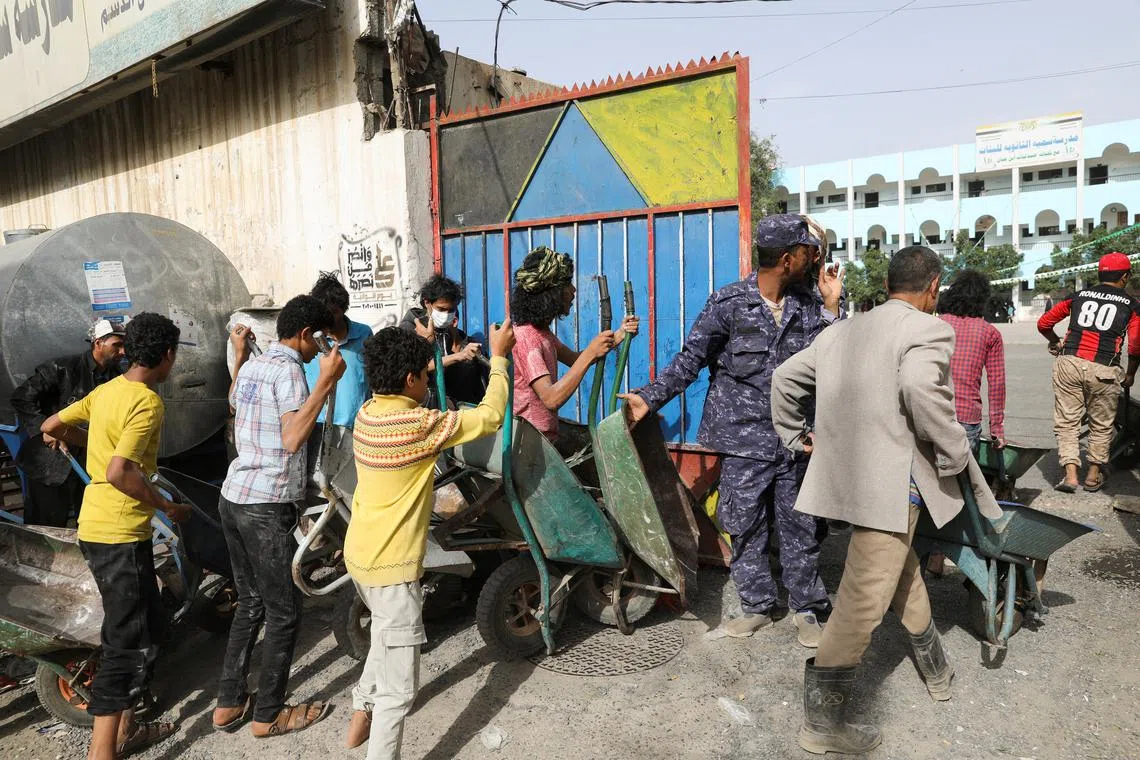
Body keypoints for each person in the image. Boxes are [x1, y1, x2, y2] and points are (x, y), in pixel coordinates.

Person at [771, 246, 1001, 755]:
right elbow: (921, 388)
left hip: (848, 482)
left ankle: (936, 669)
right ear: (933, 286)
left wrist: (797, 437)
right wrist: (954, 447)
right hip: (895, 486)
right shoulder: (927, 329)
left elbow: (785, 379)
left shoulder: (840, 330)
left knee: (901, 570)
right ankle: (823, 726)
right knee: (860, 600)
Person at [622, 214, 843, 647]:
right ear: (786, 258)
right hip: (742, 440)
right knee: (744, 524)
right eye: (805, 252)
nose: (813, 259)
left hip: (795, 438)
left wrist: (833, 307)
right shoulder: (729, 303)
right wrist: (650, 398)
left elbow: (836, 357)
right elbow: (690, 360)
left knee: (800, 525)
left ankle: (807, 610)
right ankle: (757, 605)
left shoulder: (812, 305)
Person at [342, 321, 515, 758]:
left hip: (359, 556)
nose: (425, 382)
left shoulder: (367, 414)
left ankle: (359, 712)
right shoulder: (418, 425)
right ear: (409, 380)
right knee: (400, 692)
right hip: (392, 568)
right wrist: (498, 357)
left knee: (383, 634)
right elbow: (491, 416)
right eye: (423, 374)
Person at [40, 313, 188, 760]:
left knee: (151, 622)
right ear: (166, 355)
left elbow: (50, 426)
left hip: (102, 528)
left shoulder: (107, 391)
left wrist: (80, 438)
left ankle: (127, 727)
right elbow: (119, 471)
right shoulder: (146, 402)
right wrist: (166, 506)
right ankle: (101, 752)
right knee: (123, 642)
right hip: (117, 533)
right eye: (175, 355)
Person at [211, 295, 346, 738]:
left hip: (234, 497)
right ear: (305, 334)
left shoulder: (252, 365)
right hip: (264, 504)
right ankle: (268, 714)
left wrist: (236, 354)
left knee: (250, 602)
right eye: (320, 340)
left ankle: (228, 704)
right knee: (284, 611)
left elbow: (234, 402)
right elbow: (292, 439)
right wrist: (325, 383)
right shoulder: (290, 369)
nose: (320, 350)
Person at [511, 246, 637, 443]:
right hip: (528, 445)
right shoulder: (527, 338)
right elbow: (551, 399)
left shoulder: (542, 333)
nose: (574, 290)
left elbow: (574, 359)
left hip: (544, 439)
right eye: (567, 284)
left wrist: (619, 335)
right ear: (550, 293)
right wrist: (590, 354)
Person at [1038, 251, 1140, 493]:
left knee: (1067, 422)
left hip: (1069, 364)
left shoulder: (1078, 296)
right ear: (1125, 277)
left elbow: (1044, 323)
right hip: (1104, 369)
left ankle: (1071, 476)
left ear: (1099, 274)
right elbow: (1135, 346)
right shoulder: (1132, 305)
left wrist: (1055, 342)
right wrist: (1131, 374)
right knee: (1102, 425)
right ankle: (1093, 477)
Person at [10, 318, 126, 527]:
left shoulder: (116, 378)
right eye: (117, 345)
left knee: (88, 523)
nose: (123, 352)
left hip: (90, 463)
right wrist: (44, 428)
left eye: (124, 346)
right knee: (46, 526)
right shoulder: (61, 369)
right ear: (98, 343)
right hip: (51, 461)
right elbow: (21, 397)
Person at [937, 269, 1007, 451]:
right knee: (965, 478)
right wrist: (997, 429)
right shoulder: (989, 333)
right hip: (966, 419)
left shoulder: (935, 325)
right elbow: (997, 385)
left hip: (933, 414)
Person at [399, 274, 489, 405]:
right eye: (441, 309)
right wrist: (458, 356)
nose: (446, 315)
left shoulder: (447, 330)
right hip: (420, 405)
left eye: (450, 310)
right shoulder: (411, 329)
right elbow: (415, 367)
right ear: (427, 303)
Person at [303, 272, 372, 428]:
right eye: (325, 313)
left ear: (343, 308)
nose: (329, 318)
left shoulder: (364, 334)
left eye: (334, 312)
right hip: (319, 426)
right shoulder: (310, 341)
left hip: (358, 426)